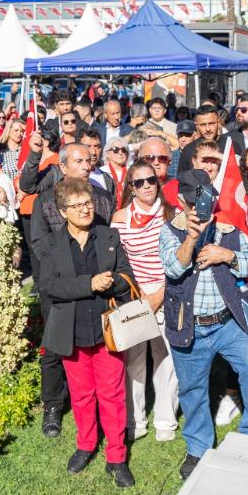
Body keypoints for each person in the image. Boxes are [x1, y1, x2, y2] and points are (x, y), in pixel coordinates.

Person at [160, 168, 248, 481]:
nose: (200, 207)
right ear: (181, 200)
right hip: (190, 325)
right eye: (194, 201)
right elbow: (173, 267)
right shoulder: (170, 231)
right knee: (192, 389)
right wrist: (193, 237)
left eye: (205, 198)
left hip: (227, 324)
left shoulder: (228, 229)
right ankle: (198, 447)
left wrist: (228, 255)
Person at [39, 178, 136, 487]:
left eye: (88, 204)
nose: (84, 210)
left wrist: (114, 283)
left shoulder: (108, 236)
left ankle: (117, 457)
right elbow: (48, 286)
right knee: (81, 396)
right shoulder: (53, 244)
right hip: (72, 332)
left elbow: (127, 276)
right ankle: (85, 445)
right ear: (63, 211)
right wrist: (88, 284)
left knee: (112, 395)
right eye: (77, 205)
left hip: (107, 331)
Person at [113, 160, 178, 443]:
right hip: (134, 293)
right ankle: (135, 420)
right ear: (131, 187)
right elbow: (118, 260)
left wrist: (161, 294)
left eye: (151, 180)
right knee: (134, 361)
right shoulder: (120, 218)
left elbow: (178, 259)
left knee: (165, 359)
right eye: (139, 182)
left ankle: (166, 420)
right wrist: (136, 294)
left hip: (165, 290)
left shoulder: (170, 214)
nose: (147, 186)